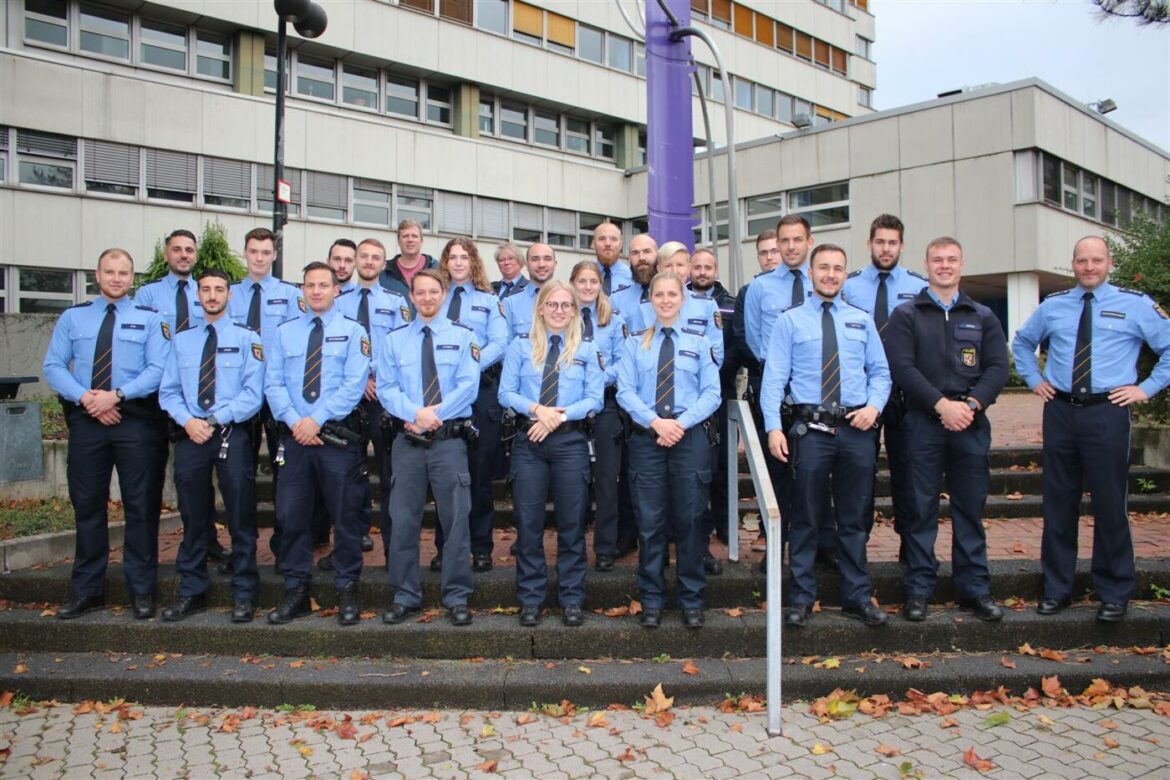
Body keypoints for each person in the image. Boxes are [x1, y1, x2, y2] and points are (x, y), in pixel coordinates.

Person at [1013, 236, 1170, 622]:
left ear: (1109, 263)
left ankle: (1114, 592)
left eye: (1096, 260)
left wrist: (1146, 389)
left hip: (1107, 412)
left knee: (1110, 504)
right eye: (1082, 260)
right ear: (1073, 264)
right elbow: (1023, 343)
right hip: (1061, 411)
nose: (1089, 267)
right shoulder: (1054, 305)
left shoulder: (1135, 305)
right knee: (1058, 503)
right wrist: (1034, 379)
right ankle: (1056, 589)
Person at [763, 244, 890, 628]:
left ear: (844, 274)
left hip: (856, 429)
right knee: (805, 517)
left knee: (854, 518)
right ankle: (801, 598)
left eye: (837, 268)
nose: (830, 274)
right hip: (811, 430)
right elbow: (774, 379)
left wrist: (874, 407)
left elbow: (880, 373)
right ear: (811, 273)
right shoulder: (790, 321)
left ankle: (858, 596)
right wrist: (773, 426)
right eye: (823, 267)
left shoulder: (861, 320)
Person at [884, 237, 1008, 623]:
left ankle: (975, 589)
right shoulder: (906, 315)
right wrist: (941, 405)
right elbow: (902, 368)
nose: (944, 266)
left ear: (962, 264)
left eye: (951, 259)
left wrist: (971, 405)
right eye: (937, 260)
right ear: (926, 265)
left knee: (969, 509)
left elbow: (997, 368)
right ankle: (919, 589)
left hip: (970, 423)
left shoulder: (983, 316)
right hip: (922, 423)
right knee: (919, 509)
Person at [43, 248, 170, 620]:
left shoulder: (150, 319)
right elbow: (53, 365)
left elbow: (158, 368)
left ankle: (141, 591)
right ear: (97, 275)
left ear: (133, 278)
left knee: (141, 507)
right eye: (110, 272)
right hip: (87, 420)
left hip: (135, 421)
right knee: (87, 506)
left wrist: (116, 396)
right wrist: (88, 398)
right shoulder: (73, 317)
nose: (117, 278)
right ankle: (86, 590)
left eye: (123, 272)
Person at [264, 262, 369, 625]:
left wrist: (317, 419)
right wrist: (297, 422)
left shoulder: (353, 332)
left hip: (336, 439)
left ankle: (347, 588)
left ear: (336, 289)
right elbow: (273, 383)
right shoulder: (285, 333)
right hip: (295, 438)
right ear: (302, 290)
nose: (317, 291)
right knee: (291, 516)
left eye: (324, 285)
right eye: (310, 285)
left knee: (346, 516)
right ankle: (296, 590)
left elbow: (354, 385)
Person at [158, 269, 264, 623]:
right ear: (198, 295)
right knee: (193, 516)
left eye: (219, 289)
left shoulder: (248, 339)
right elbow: (169, 391)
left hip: (230, 432)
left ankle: (244, 592)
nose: (213, 295)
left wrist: (216, 419)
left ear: (229, 295)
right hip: (192, 434)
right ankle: (191, 590)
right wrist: (188, 421)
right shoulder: (182, 340)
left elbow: (253, 393)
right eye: (206, 289)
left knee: (240, 515)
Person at [617, 272, 721, 630]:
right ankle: (651, 599)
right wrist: (655, 422)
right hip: (648, 438)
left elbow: (712, 393)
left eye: (671, 294)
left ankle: (691, 599)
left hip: (688, 437)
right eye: (658, 294)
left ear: (682, 299)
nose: (664, 300)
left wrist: (680, 424)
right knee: (650, 524)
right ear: (650, 300)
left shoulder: (700, 342)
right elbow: (624, 391)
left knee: (691, 521)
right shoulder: (634, 344)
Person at [378, 269, 480, 626]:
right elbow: (386, 388)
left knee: (456, 522)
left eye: (433, 291)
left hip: (448, 442)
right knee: (403, 521)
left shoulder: (464, 337)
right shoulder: (394, 340)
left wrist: (431, 416)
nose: (426, 298)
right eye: (419, 292)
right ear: (411, 296)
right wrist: (414, 414)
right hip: (408, 443)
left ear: (444, 293)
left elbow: (469, 386)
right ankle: (404, 595)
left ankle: (457, 596)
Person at [500, 280, 604, 626]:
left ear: (574, 311)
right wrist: (537, 409)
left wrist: (557, 416)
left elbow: (595, 399)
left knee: (571, 524)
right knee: (528, 525)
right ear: (540, 308)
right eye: (552, 304)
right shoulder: (520, 346)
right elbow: (506, 393)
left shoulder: (587, 349)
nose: (559, 311)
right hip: (528, 442)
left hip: (570, 443)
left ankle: (572, 598)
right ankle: (531, 598)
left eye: (566, 305)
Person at [744, 216, 836, 570]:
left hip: (816, 395)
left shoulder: (824, 282)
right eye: (785, 240)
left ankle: (824, 545)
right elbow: (754, 340)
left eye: (798, 239)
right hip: (777, 395)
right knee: (778, 476)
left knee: (819, 473)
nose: (791, 246)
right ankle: (775, 548)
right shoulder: (760, 287)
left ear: (809, 241)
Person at [133, 229, 222, 566]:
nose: (184, 255)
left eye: (189, 250)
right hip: (161, 395)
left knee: (201, 473)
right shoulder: (148, 294)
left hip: (201, 397)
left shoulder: (207, 291)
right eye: (177, 249)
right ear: (166, 254)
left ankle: (208, 540)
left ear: (195, 255)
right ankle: (172, 546)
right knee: (164, 475)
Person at [843, 214, 928, 544]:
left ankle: (910, 546)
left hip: (905, 392)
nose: (886, 248)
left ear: (902, 246)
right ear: (869, 243)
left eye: (892, 243)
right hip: (861, 393)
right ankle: (857, 547)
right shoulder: (849, 286)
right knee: (861, 472)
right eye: (880, 242)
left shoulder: (918, 287)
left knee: (907, 471)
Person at [329, 238, 410, 570]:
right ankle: (349, 544)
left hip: (383, 398)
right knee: (347, 476)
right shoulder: (338, 301)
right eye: (363, 256)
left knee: (390, 476)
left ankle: (392, 549)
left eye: (376, 257)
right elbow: (331, 350)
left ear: (383, 263)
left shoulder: (396, 301)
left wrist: (373, 376)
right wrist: (359, 378)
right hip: (347, 398)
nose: (369, 261)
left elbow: (402, 347)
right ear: (354, 260)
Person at [227, 228, 304, 571]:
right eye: (253, 251)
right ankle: (242, 550)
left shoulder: (290, 294)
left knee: (283, 473)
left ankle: (283, 546)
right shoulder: (228, 293)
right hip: (239, 394)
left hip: (277, 393)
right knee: (238, 477)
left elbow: (298, 342)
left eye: (265, 252)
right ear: (245, 253)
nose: (259, 257)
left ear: (274, 255)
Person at [432, 238, 509, 574]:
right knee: (444, 477)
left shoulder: (490, 301)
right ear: (445, 262)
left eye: (465, 257)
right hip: (441, 395)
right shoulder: (435, 297)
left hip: (480, 394)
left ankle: (480, 547)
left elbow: (500, 343)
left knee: (479, 477)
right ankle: (445, 548)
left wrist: (468, 369)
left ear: (474, 262)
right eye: (453, 257)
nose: (459, 262)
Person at [569, 261, 628, 571]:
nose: (588, 287)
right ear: (573, 284)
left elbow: (622, 361)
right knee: (573, 482)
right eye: (582, 281)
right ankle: (572, 545)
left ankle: (605, 546)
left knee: (606, 481)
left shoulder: (614, 321)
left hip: (606, 406)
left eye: (593, 281)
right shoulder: (563, 317)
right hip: (571, 409)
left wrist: (595, 380)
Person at [689, 247, 737, 574]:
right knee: (698, 469)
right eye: (698, 266)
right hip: (686, 396)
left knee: (721, 466)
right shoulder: (678, 301)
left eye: (708, 267)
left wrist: (713, 374)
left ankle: (724, 523)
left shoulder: (729, 304)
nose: (703, 272)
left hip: (721, 391)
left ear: (716, 270)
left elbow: (736, 345)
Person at [736, 230, 781, 555]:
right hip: (764, 384)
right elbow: (745, 337)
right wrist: (768, 368)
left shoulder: (807, 285)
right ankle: (770, 535)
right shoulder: (750, 291)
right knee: (769, 467)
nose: (770, 257)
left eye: (774, 250)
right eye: (763, 252)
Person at [501, 243, 557, 340]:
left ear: (555, 264)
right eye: (535, 259)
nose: (541, 264)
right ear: (526, 265)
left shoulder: (569, 302)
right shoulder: (510, 303)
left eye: (547, 259)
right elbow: (504, 344)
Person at [379, 218, 438, 309]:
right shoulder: (384, 272)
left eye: (414, 236)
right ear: (398, 241)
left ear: (421, 241)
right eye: (405, 236)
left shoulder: (436, 268)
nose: (410, 240)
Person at [609, 233, 658, 333]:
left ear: (658, 255)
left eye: (647, 251)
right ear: (629, 259)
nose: (641, 258)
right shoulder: (616, 299)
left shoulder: (675, 296)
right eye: (635, 253)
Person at [592, 221, 633, 295]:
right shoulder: (583, 276)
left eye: (613, 239)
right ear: (593, 244)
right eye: (602, 239)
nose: (608, 243)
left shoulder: (632, 277)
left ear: (621, 244)